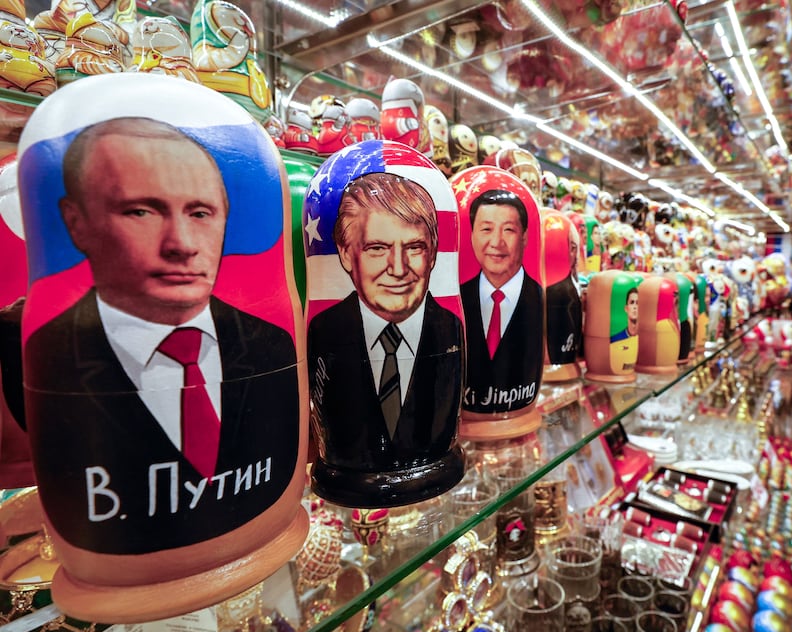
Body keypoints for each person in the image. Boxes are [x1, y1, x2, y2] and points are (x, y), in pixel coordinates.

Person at [23, 117, 299, 554]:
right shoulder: (48, 355)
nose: (181, 243)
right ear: (76, 223)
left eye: (200, 213)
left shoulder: (272, 343)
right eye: (142, 211)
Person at [308, 172, 463, 471]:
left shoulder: (450, 329)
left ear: (432, 255)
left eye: (414, 247)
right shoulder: (324, 330)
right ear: (345, 254)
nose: (397, 268)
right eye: (377, 248)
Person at [460, 189, 543, 413]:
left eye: (508, 230)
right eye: (486, 229)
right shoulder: (456, 300)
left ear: (524, 237)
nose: (496, 242)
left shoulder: (541, 299)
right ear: (472, 236)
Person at [545, 220, 582, 365]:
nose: (573, 253)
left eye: (574, 248)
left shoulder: (570, 285)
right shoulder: (556, 290)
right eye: (570, 248)